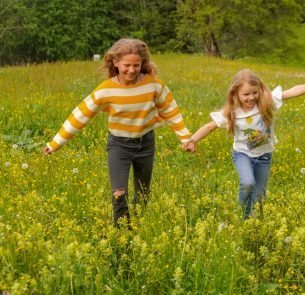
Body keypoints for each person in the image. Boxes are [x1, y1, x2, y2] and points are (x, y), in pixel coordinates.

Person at [43, 38, 195, 227]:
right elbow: (81, 115)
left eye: (136, 65)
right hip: (119, 146)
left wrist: (186, 138)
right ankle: (123, 231)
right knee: (119, 191)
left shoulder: (153, 85)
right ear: (115, 62)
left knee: (143, 191)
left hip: (146, 143)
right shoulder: (106, 90)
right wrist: (55, 143)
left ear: (142, 63)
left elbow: (171, 111)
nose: (131, 70)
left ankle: (138, 226)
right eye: (127, 65)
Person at [190, 69, 305, 219]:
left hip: (264, 157)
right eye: (246, 94)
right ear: (235, 93)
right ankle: (239, 213)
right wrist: (192, 140)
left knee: (259, 196)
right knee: (247, 183)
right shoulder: (232, 112)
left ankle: (248, 220)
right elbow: (209, 126)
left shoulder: (266, 102)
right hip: (243, 155)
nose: (251, 97)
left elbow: (294, 91)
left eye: (254, 92)